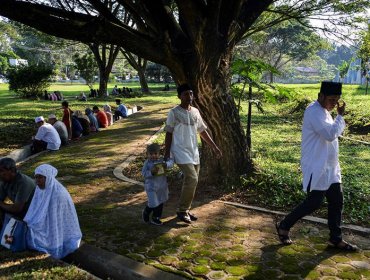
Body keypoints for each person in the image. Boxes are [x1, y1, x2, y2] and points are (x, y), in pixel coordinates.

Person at [276, 81, 358, 251]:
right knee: (314, 202)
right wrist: (340, 116)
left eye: (337, 100)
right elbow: (330, 134)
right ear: (320, 96)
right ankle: (284, 225)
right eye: (331, 99)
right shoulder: (313, 111)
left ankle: (335, 239)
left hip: (331, 166)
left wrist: (337, 117)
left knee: (337, 201)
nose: (334, 103)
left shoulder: (325, 112)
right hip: (317, 165)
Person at [164, 84, 222, 223]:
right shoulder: (174, 112)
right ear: (179, 96)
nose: (189, 97)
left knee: (192, 181)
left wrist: (214, 147)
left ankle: (186, 209)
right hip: (179, 150)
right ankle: (182, 210)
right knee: (192, 178)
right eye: (185, 94)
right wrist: (167, 153)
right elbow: (168, 133)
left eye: (191, 93)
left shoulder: (195, 111)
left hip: (193, 151)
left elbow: (202, 131)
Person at [24, 164, 82, 259]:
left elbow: (55, 219)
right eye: (36, 177)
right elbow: (35, 208)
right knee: (31, 227)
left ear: (48, 178)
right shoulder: (40, 189)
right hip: (46, 220)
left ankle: (55, 247)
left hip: (57, 225)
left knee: (38, 233)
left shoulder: (58, 194)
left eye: (40, 177)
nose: (37, 181)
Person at [141, 143, 174, 226]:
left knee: (161, 201)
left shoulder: (162, 161)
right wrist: (151, 172)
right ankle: (146, 212)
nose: (153, 156)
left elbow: (171, 162)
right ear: (147, 154)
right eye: (151, 154)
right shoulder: (147, 163)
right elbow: (144, 174)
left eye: (155, 154)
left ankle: (156, 217)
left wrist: (166, 164)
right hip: (151, 187)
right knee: (153, 203)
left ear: (159, 154)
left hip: (162, 186)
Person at [0, 158, 36, 227]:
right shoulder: (4, 181)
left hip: (32, 215)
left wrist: (1, 204)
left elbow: (17, 209)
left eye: (1, 171)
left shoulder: (23, 182)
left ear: (12, 170)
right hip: (21, 212)